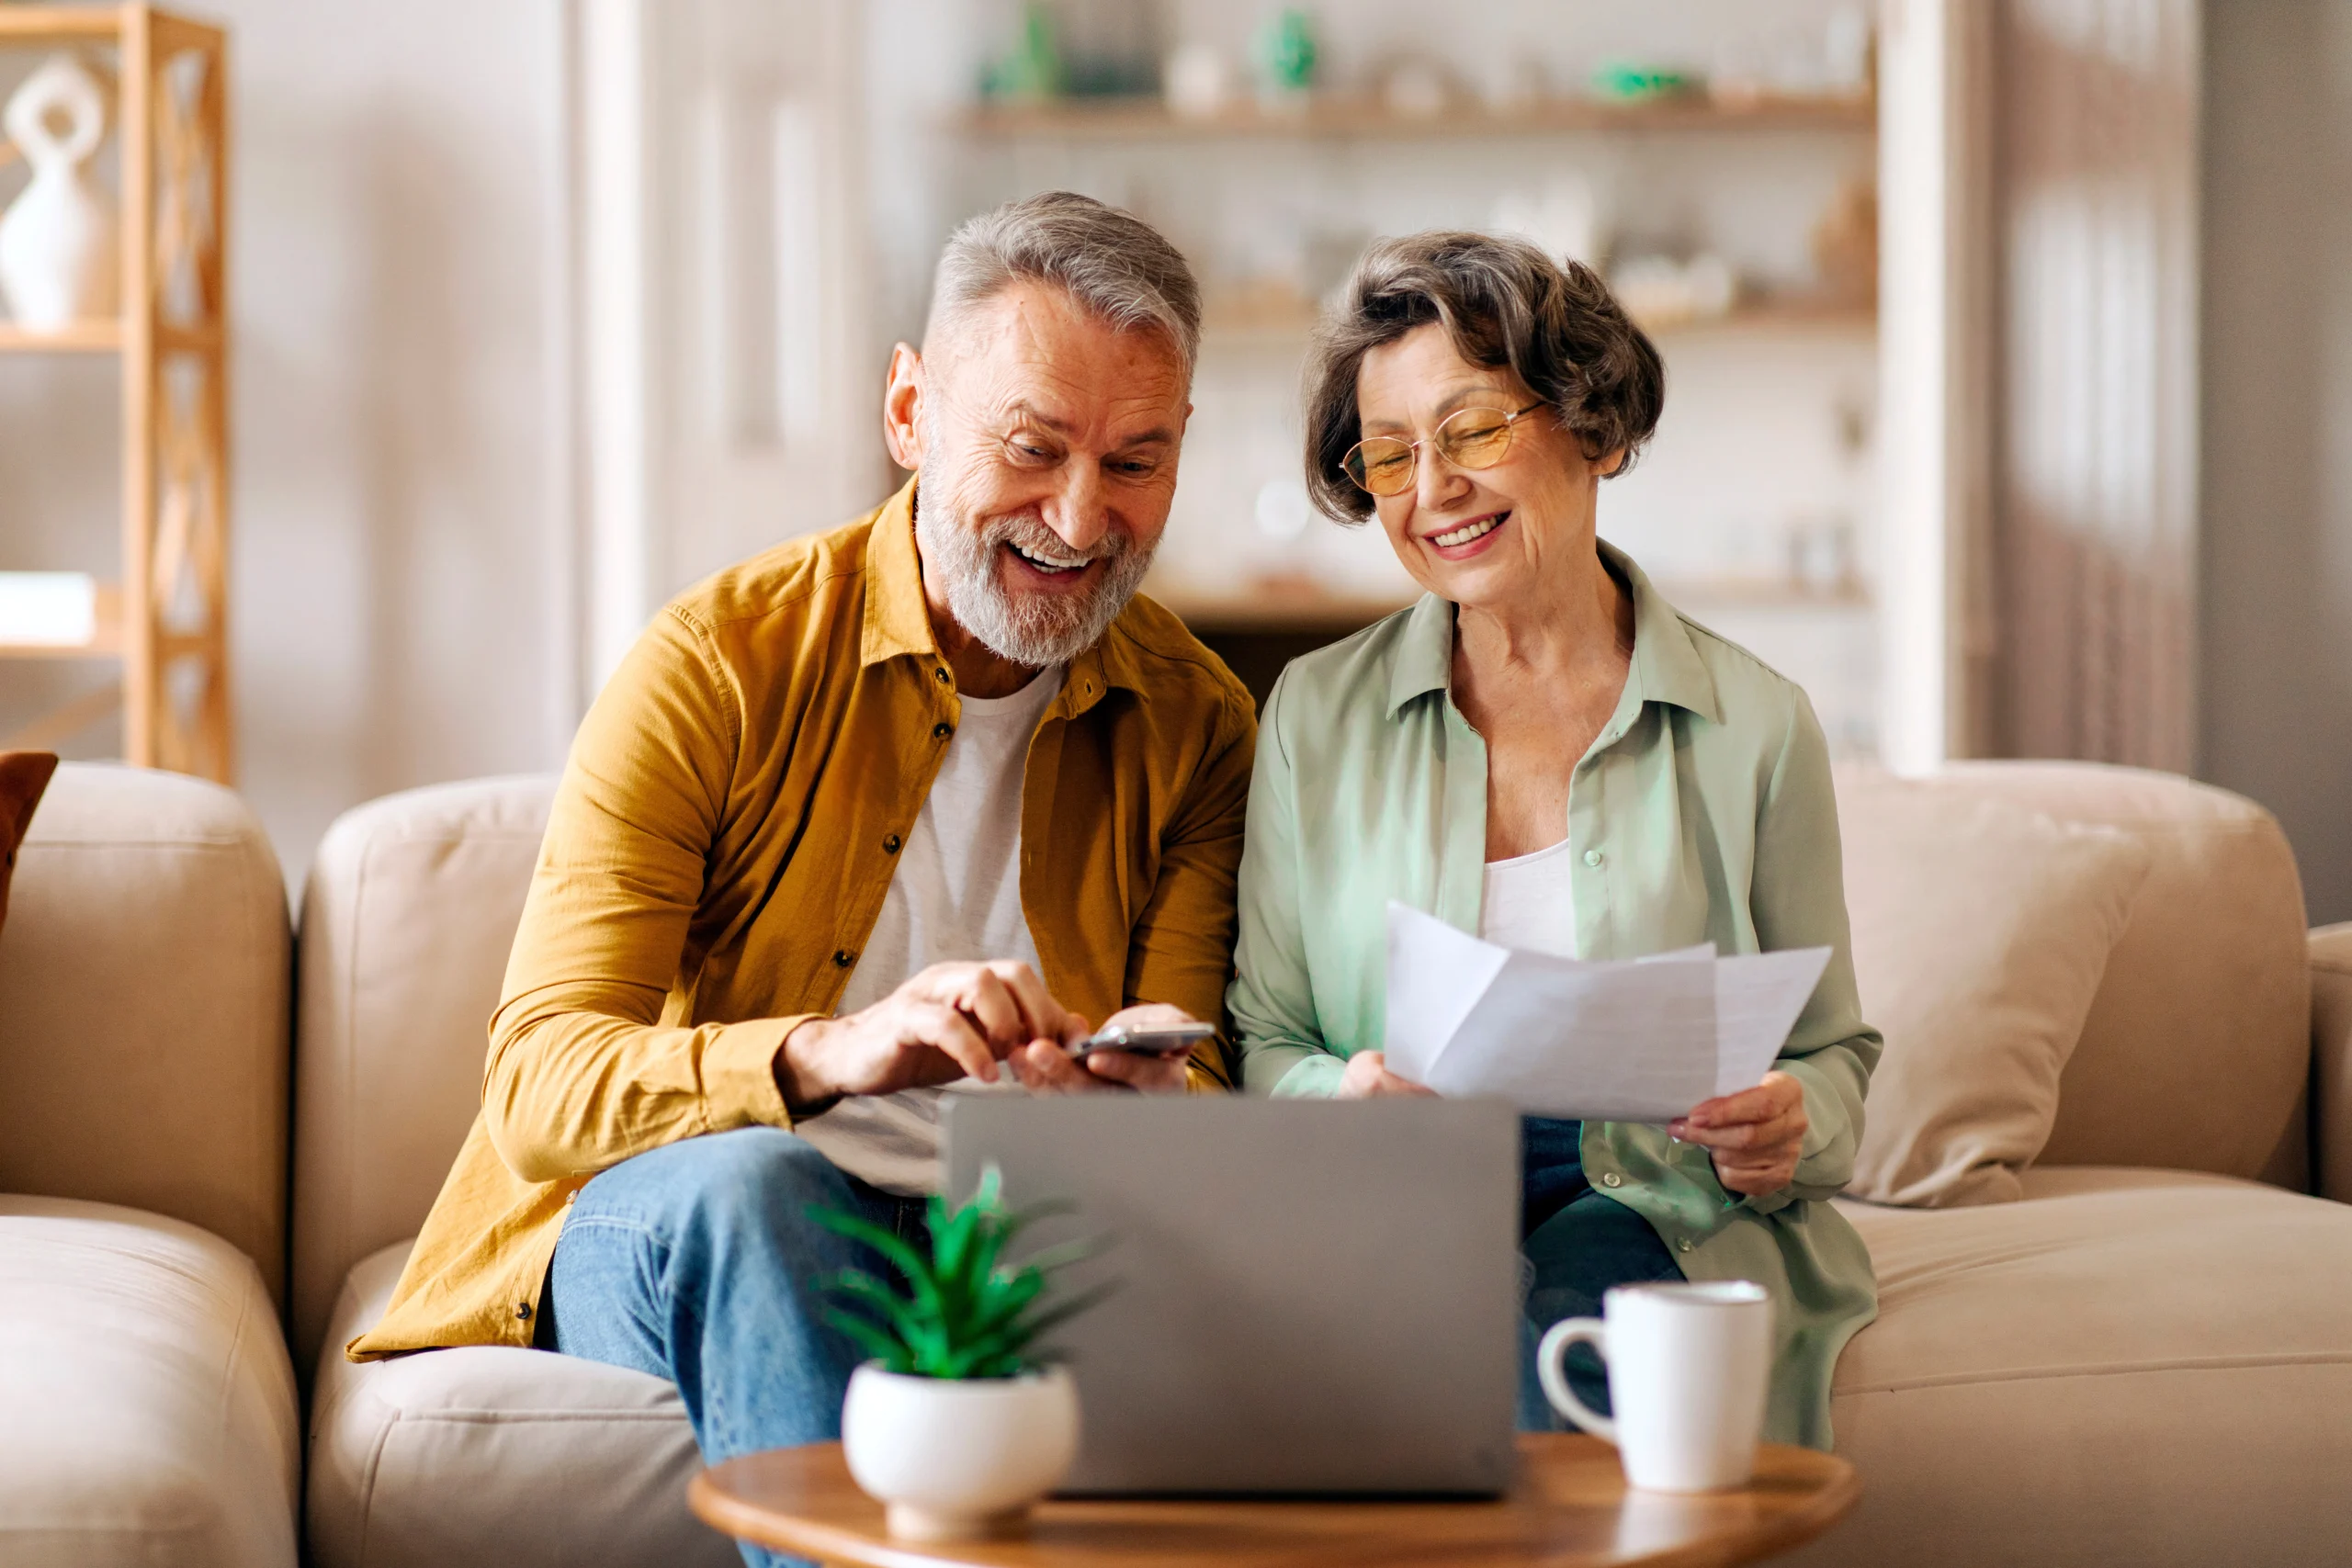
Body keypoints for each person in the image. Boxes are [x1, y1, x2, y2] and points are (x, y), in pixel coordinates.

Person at [349, 193, 1257, 1559]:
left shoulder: (1199, 722)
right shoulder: (719, 661)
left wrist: (1130, 1103)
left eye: (1136, 461)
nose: (1081, 516)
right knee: (762, 1189)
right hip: (698, 1212)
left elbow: (1192, 1077)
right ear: (909, 412)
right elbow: (539, 1080)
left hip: (999, 1230)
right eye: (1031, 447)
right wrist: (830, 1054)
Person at [1226, 231, 1878, 1449]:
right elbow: (1264, 1034)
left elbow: (1835, 1050)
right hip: (1402, 1190)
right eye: (1389, 457)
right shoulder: (1314, 714)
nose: (1429, 491)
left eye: (1471, 430)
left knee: (1552, 1363)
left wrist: (1790, 1118)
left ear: (1595, 427)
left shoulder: (1756, 725)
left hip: (1643, 1194)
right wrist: (1340, 1092)